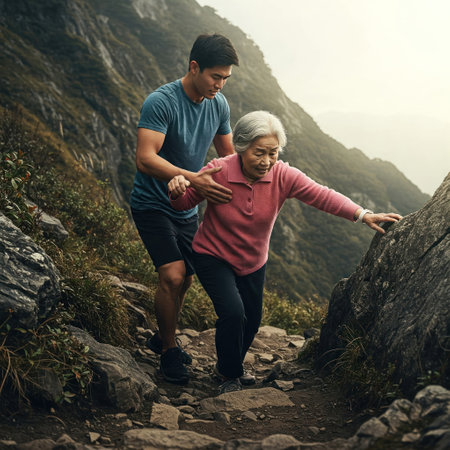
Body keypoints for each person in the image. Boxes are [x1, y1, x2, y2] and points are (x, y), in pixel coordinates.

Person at [168, 110, 402, 394]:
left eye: (273, 152)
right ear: (242, 148)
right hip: (212, 255)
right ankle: (229, 374)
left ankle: (228, 366)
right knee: (233, 312)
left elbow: (321, 194)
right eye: (259, 153)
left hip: (253, 261)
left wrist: (362, 214)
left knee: (252, 320)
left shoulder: (283, 175)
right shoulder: (219, 170)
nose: (267, 161)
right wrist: (178, 187)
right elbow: (183, 204)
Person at [130, 34, 239, 384]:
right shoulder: (161, 102)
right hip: (152, 203)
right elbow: (145, 159)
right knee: (172, 275)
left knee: (188, 278)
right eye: (215, 77)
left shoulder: (219, 105)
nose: (220, 85)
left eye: (225, 79)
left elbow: (229, 158)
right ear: (194, 67)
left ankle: (164, 334)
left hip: (186, 208)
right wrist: (193, 177)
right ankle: (168, 351)